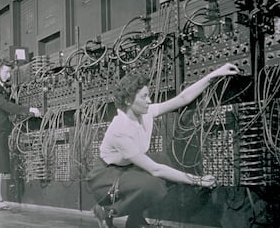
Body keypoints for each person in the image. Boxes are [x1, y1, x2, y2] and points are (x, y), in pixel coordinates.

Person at [87, 63, 240, 228]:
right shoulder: (120, 129)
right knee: (153, 186)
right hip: (106, 177)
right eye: (144, 97)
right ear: (128, 100)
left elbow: (182, 99)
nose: (149, 100)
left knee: (162, 159)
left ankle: (135, 219)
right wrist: (198, 180)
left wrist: (214, 75)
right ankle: (104, 211)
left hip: (125, 169)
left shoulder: (145, 113)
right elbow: (155, 170)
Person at [0, 58, 41, 210]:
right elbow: (5, 105)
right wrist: (29, 110)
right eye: (6, 71)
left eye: (10, 72)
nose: (8, 75)